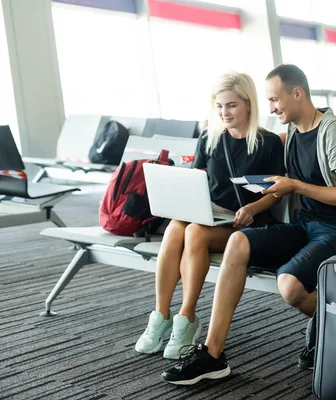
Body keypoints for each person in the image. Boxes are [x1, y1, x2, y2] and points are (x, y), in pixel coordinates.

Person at [160, 64, 336, 385]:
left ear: (297, 93)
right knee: (239, 241)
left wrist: (295, 186)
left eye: (275, 100)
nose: (271, 108)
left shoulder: (334, 131)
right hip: (305, 227)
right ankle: (212, 354)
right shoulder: (293, 137)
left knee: (289, 286)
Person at [134, 72, 285, 360]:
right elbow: (198, 181)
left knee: (193, 232)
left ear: (248, 105)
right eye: (219, 106)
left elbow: (277, 191)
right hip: (210, 215)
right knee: (176, 228)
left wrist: (252, 209)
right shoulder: (210, 138)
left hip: (246, 222)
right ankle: (161, 314)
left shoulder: (268, 143)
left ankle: (187, 317)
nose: (224, 113)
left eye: (231, 105)